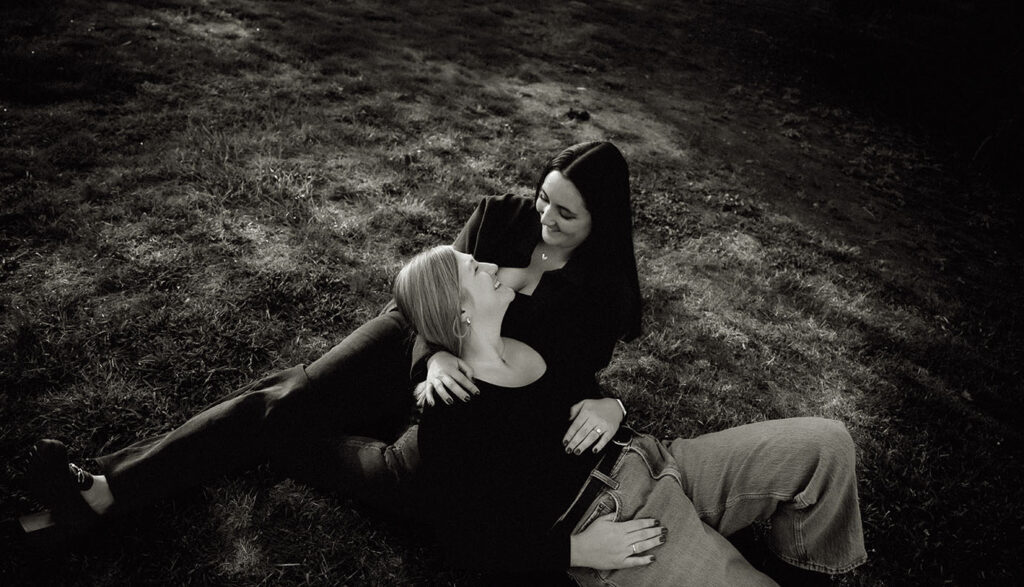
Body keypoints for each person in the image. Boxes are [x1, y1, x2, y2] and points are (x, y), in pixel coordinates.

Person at [15, 142, 643, 544]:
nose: (543, 220)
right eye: (543, 198)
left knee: (311, 427)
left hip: (480, 399)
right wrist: (437, 353)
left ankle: (99, 490)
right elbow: (430, 288)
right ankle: (104, 490)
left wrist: (609, 404)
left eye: (566, 215)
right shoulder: (501, 215)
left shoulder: (602, 292)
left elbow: (565, 375)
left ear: (601, 223)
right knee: (280, 402)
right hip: (418, 340)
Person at [393, 245, 868, 585]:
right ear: (461, 313)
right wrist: (577, 551)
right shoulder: (452, 411)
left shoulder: (524, 329)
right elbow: (464, 538)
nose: (493, 264)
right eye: (475, 269)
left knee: (826, 445)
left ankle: (800, 568)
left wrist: (612, 405)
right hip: (617, 526)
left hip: (660, 461)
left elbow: (585, 389)